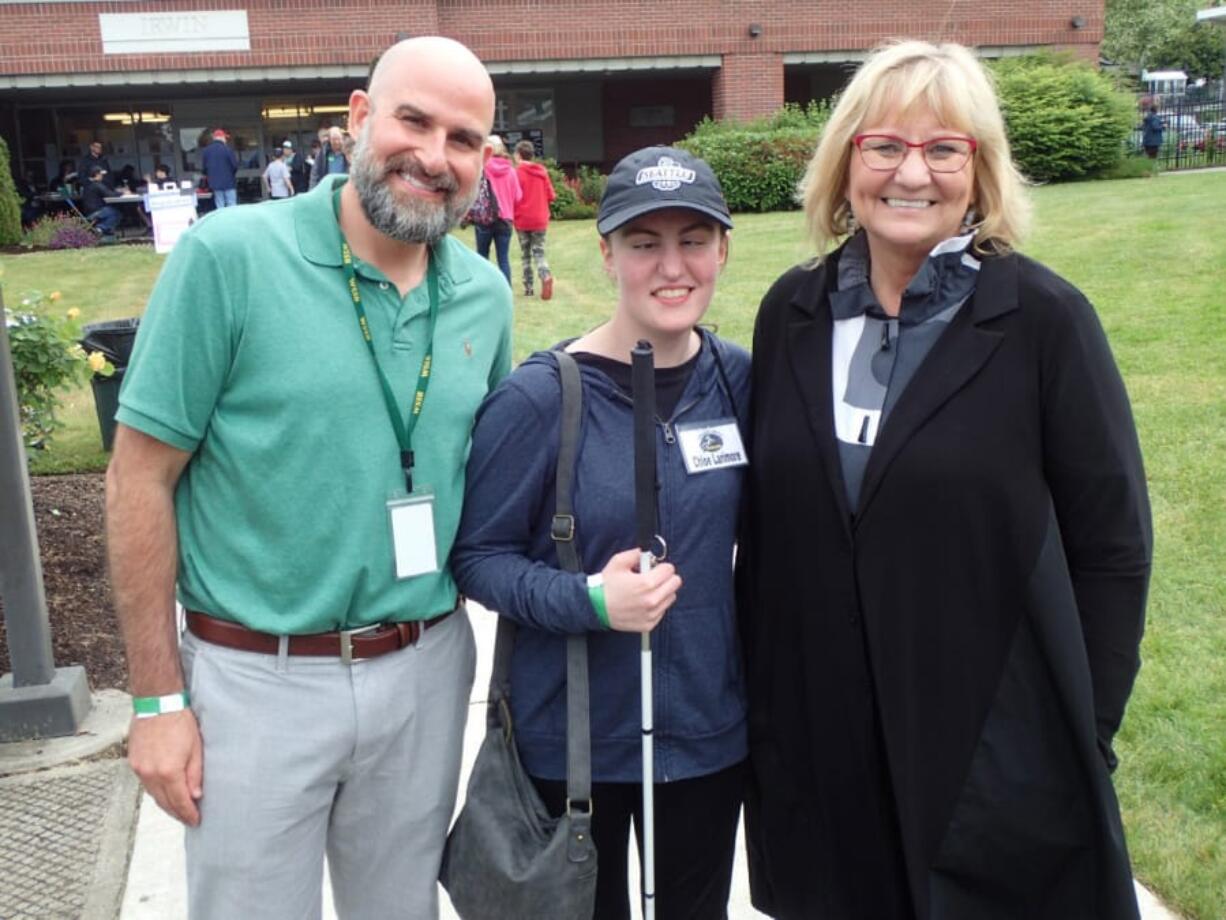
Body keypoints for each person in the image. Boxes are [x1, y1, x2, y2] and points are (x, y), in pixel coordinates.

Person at [737, 40, 1152, 920]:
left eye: (942, 149)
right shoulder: (793, 313)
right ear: (846, 162)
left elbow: (1113, 547)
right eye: (884, 145)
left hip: (990, 744)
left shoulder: (1044, 321)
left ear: (980, 170)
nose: (909, 173)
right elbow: (770, 535)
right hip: (824, 742)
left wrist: (1086, 731)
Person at [106, 35, 512, 920]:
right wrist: (157, 697)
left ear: (486, 159)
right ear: (359, 119)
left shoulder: (485, 293)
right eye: (413, 120)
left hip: (426, 667)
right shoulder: (228, 259)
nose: (433, 156)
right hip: (257, 682)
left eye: (464, 137)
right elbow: (139, 480)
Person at [453, 145, 749, 920]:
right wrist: (588, 599)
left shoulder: (741, 380)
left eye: (693, 240)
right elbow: (478, 559)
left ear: (722, 248)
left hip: (707, 739)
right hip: (574, 748)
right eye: (645, 243)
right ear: (608, 252)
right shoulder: (539, 399)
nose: (671, 265)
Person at [468, 134, 520, 284]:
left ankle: (483, 290)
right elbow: (518, 197)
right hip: (505, 219)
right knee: (503, 259)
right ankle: (506, 291)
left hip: (485, 217)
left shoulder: (482, 168)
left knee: (482, 256)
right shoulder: (511, 170)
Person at [513, 139, 557, 299]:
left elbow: (513, 196)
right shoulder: (542, 172)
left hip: (522, 219)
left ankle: (529, 287)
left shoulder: (516, 173)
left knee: (525, 254)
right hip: (540, 219)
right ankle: (545, 276)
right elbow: (551, 195)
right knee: (539, 252)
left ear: (518, 155)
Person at [200, 128, 239, 208]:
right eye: (225, 138)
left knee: (219, 205)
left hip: (215, 183)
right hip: (229, 182)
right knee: (232, 205)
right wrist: (231, 175)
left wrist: (210, 176)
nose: (226, 140)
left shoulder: (207, 151)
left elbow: (204, 168)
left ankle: (222, 220)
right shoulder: (227, 149)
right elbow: (234, 166)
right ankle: (232, 220)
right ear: (221, 137)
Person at [80, 165, 121, 235]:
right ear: (96, 175)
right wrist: (122, 193)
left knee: (111, 211)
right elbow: (109, 194)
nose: (102, 176)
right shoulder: (97, 185)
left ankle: (104, 230)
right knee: (116, 213)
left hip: (88, 212)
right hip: (96, 212)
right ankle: (100, 229)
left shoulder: (86, 184)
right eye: (101, 174)